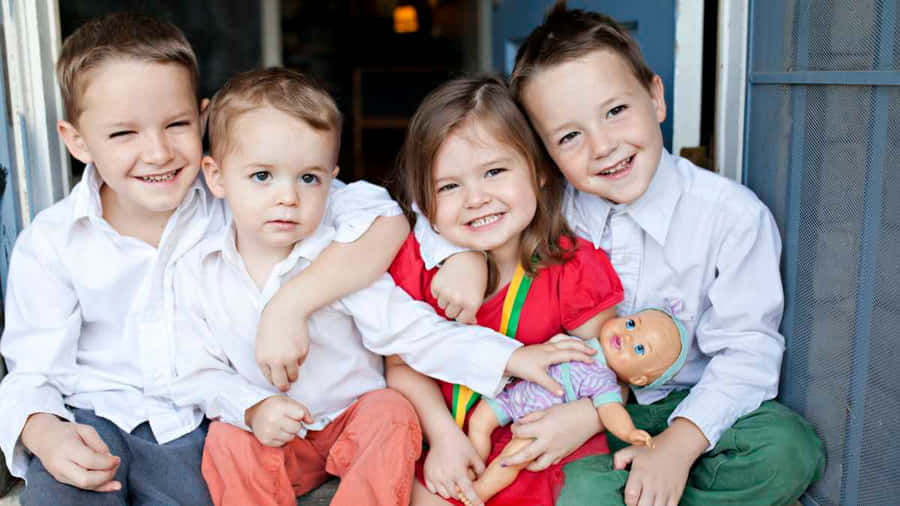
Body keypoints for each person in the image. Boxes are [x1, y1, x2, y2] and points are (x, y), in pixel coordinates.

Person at [415, 4, 825, 505]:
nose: (602, 146)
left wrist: (678, 446)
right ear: (544, 156)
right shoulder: (549, 206)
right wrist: (461, 256)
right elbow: (433, 204)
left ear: (655, 97)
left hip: (693, 403)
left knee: (788, 450)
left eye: (615, 111)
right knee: (580, 491)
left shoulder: (731, 216)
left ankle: (655, 487)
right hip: (581, 407)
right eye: (569, 136)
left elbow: (749, 352)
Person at [0, 12, 410, 505]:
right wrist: (42, 429)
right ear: (77, 141)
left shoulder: (240, 192)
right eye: (123, 134)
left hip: (202, 425)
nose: (157, 153)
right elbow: (32, 370)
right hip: (93, 418)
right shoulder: (52, 241)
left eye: (176, 125)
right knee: (62, 491)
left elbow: (380, 218)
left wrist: (291, 303)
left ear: (203, 117)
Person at [163, 67, 597, 506]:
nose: (287, 197)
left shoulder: (339, 255)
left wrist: (510, 357)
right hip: (272, 434)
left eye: (308, 178)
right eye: (262, 176)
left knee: (391, 411)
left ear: (332, 179)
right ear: (215, 176)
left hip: (352, 425)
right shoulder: (199, 268)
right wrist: (252, 408)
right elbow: (196, 371)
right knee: (226, 439)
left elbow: (411, 331)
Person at [386, 75, 624, 506]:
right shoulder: (416, 264)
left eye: (494, 171)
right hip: (443, 448)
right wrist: (443, 439)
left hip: (540, 450)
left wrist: (584, 418)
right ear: (423, 199)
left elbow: (609, 365)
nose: (475, 198)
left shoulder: (572, 267)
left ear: (538, 173)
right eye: (449, 186)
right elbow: (400, 364)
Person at [462, 308, 688, 505]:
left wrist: (628, 432)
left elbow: (611, 411)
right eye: (631, 323)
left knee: (513, 458)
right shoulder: (581, 341)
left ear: (639, 380)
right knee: (478, 422)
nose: (628, 336)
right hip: (513, 395)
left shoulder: (605, 384)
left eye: (639, 349)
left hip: (538, 421)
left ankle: (481, 491)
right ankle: (474, 467)